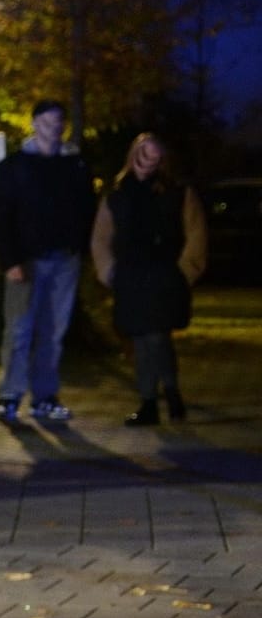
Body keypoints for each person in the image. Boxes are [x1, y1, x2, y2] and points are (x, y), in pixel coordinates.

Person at [90, 133, 207, 426]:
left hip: (164, 275)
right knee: (141, 339)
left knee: (156, 337)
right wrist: (109, 271)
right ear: (133, 156)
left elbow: (196, 233)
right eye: (143, 156)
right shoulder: (117, 195)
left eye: (154, 159)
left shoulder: (177, 193)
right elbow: (101, 237)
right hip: (130, 276)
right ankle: (155, 400)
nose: (147, 164)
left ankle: (162, 396)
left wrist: (185, 270)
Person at [0, 100, 93, 423]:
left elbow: (88, 208)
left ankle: (44, 397)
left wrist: (79, 248)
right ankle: (9, 396)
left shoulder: (75, 166)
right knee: (19, 330)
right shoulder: (14, 167)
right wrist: (10, 260)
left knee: (53, 332)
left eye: (58, 123)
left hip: (64, 260)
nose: (53, 129)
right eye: (47, 123)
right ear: (34, 124)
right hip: (27, 261)